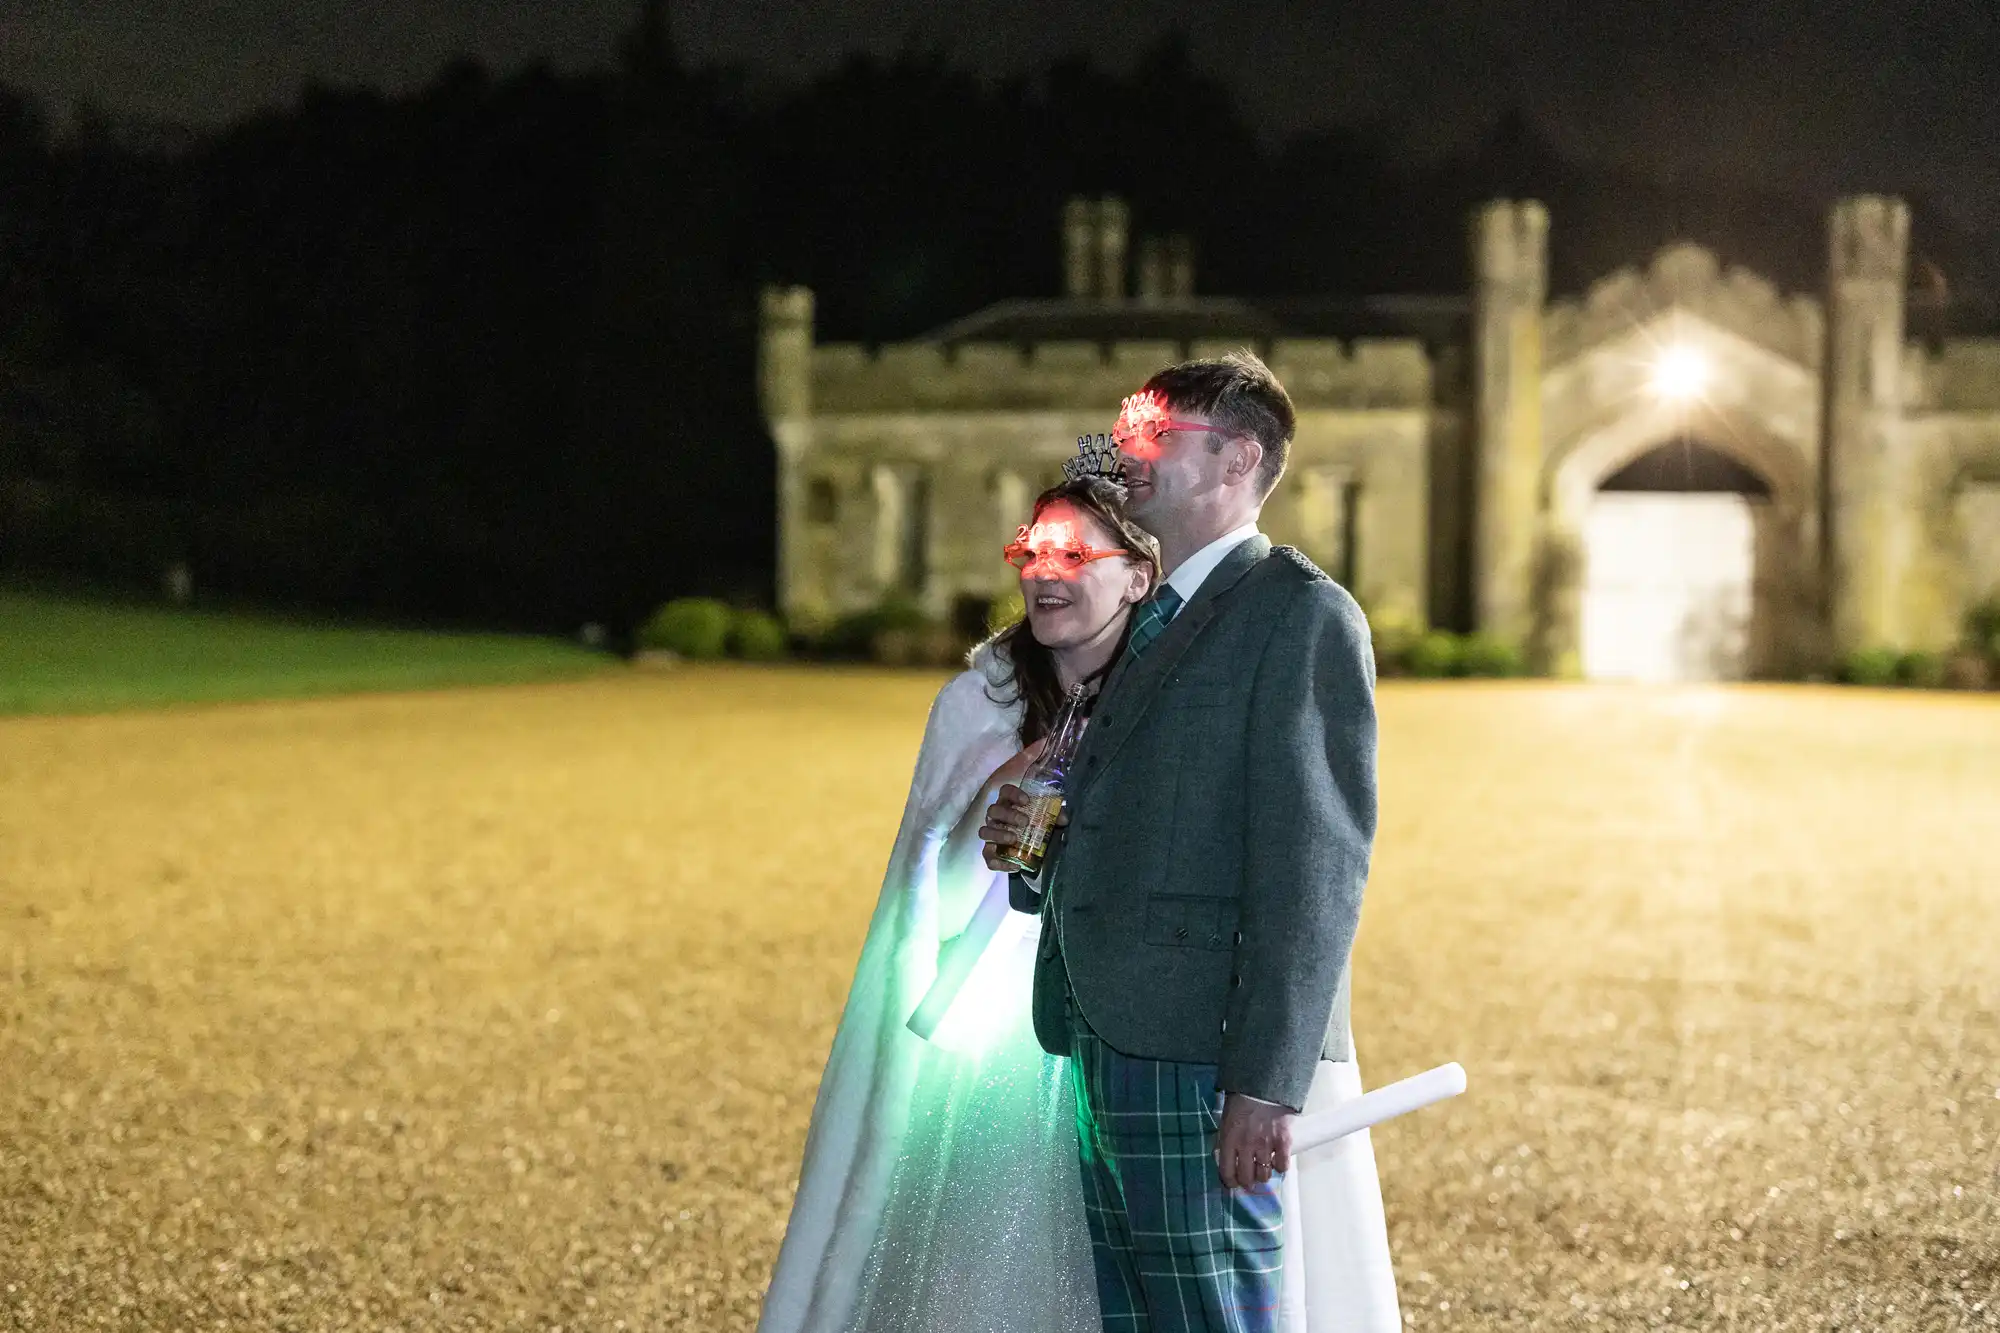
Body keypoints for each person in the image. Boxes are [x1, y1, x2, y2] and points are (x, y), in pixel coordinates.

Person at [981, 352, 1401, 1333]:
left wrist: (1264, 1080)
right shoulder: (1153, 618)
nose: (1127, 450)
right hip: (1104, 1029)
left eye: (1155, 435)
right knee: (1137, 1317)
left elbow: (1315, 865)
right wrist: (1037, 851)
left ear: (1234, 460)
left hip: (1197, 1054)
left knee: (1211, 1315)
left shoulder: (1298, 614)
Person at [757, 475, 1160, 1333]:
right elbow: (928, 901)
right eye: (1032, 548)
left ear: (1139, 574)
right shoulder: (983, 702)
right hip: (992, 1044)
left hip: (1123, 1032)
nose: (1042, 571)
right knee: (973, 1270)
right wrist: (998, 798)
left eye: (1074, 552)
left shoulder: (1173, 701)